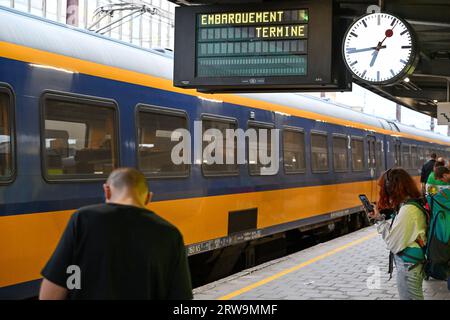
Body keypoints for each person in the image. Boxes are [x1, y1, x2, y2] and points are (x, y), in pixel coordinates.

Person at [39, 167, 193, 300]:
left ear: (106, 191)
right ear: (148, 198)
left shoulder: (83, 220)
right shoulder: (170, 234)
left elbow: (51, 293)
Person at [368, 168, 427, 300]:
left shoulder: (408, 210)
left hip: (409, 266)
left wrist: (381, 222)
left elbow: (393, 243)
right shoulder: (410, 204)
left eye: (384, 190)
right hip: (411, 263)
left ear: (392, 189)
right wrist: (379, 218)